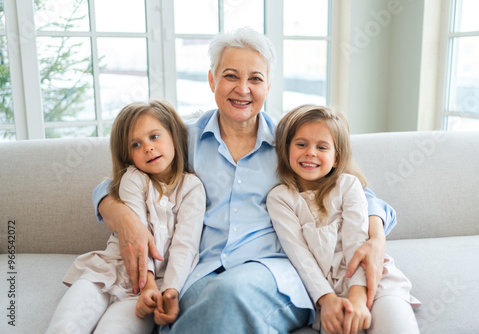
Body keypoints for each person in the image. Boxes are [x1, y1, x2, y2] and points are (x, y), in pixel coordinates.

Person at [92, 27, 397, 333]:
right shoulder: (184, 140)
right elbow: (112, 186)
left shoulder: (291, 145)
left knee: (227, 295)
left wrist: (376, 239)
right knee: (210, 302)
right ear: (212, 80)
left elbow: (357, 193)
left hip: (272, 275)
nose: (243, 89)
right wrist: (127, 221)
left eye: (255, 79)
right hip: (201, 275)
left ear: (268, 86)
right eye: (230, 76)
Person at [46, 99, 205, 333]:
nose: (148, 148)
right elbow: (137, 233)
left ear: (173, 135)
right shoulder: (133, 178)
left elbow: (186, 246)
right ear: (128, 155)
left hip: (149, 291)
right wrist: (147, 283)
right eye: (136, 144)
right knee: (65, 327)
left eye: (154, 136)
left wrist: (169, 291)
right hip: (106, 272)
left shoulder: (192, 188)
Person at [267, 104, 421, 334]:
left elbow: (356, 242)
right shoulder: (280, 199)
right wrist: (327, 299)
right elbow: (299, 256)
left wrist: (358, 297)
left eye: (322, 147)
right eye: (301, 144)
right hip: (326, 294)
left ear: (336, 158)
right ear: (286, 149)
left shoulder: (348, 185)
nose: (310, 152)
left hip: (370, 280)